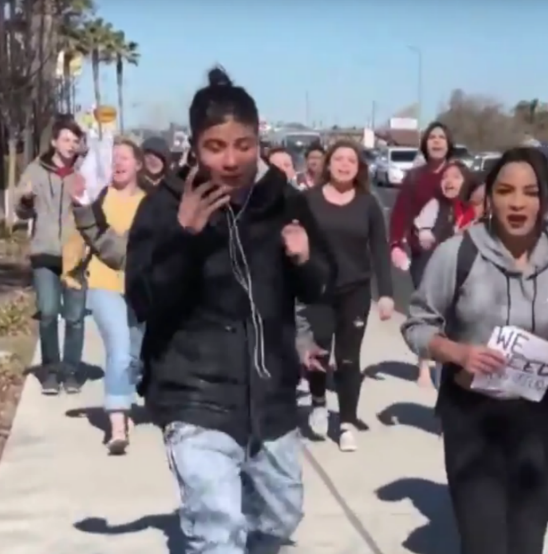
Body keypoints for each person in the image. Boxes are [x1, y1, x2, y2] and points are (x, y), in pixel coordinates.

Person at [125, 67, 333, 553]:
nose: (232, 159)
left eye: (243, 144)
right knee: (217, 531)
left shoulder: (284, 200)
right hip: (193, 395)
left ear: (259, 139)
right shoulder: (163, 207)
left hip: (270, 395)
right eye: (216, 147)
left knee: (282, 517)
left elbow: (322, 284)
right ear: (194, 147)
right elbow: (141, 299)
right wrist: (184, 236)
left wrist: (304, 258)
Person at [401, 146, 548, 554]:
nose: (517, 203)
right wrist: (457, 353)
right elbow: (417, 326)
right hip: (472, 419)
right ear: (489, 198)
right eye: (505, 191)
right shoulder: (458, 254)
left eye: (530, 192)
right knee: (484, 543)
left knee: (525, 543)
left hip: (539, 421)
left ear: (547, 200)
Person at [298, 140, 394, 450]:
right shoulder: (309, 199)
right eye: (338, 159)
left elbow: (380, 249)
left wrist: (387, 294)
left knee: (349, 359)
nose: (344, 164)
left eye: (350, 160)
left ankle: (347, 422)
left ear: (359, 167)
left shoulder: (368, 204)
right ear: (327, 164)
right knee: (319, 351)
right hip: (318, 289)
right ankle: (317, 402)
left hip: (356, 289)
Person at [62, 138, 148, 454]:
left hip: (139, 289)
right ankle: (117, 425)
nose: (119, 162)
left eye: (125, 157)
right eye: (114, 158)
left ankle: (123, 398)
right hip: (103, 283)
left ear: (138, 164)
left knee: (136, 357)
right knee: (120, 351)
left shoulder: (150, 203)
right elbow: (81, 231)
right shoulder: (100, 196)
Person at [15, 116, 88, 395]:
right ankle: (50, 370)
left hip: (76, 255)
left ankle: (70, 371)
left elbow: (95, 210)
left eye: (75, 141)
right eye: (66, 139)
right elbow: (22, 211)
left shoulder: (83, 173)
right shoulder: (36, 170)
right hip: (44, 252)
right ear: (55, 142)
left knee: (75, 317)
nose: (71, 145)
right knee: (48, 313)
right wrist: (25, 200)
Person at [389, 121, 455, 385]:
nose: (437, 141)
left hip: (454, 252)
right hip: (422, 253)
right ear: (425, 144)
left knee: (453, 311)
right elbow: (400, 214)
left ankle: (447, 361)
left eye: (441, 137)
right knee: (426, 310)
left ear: (449, 143)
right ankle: (424, 363)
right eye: (432, 138)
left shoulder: (458, 175)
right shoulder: (415, 177)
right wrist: (396, 243)